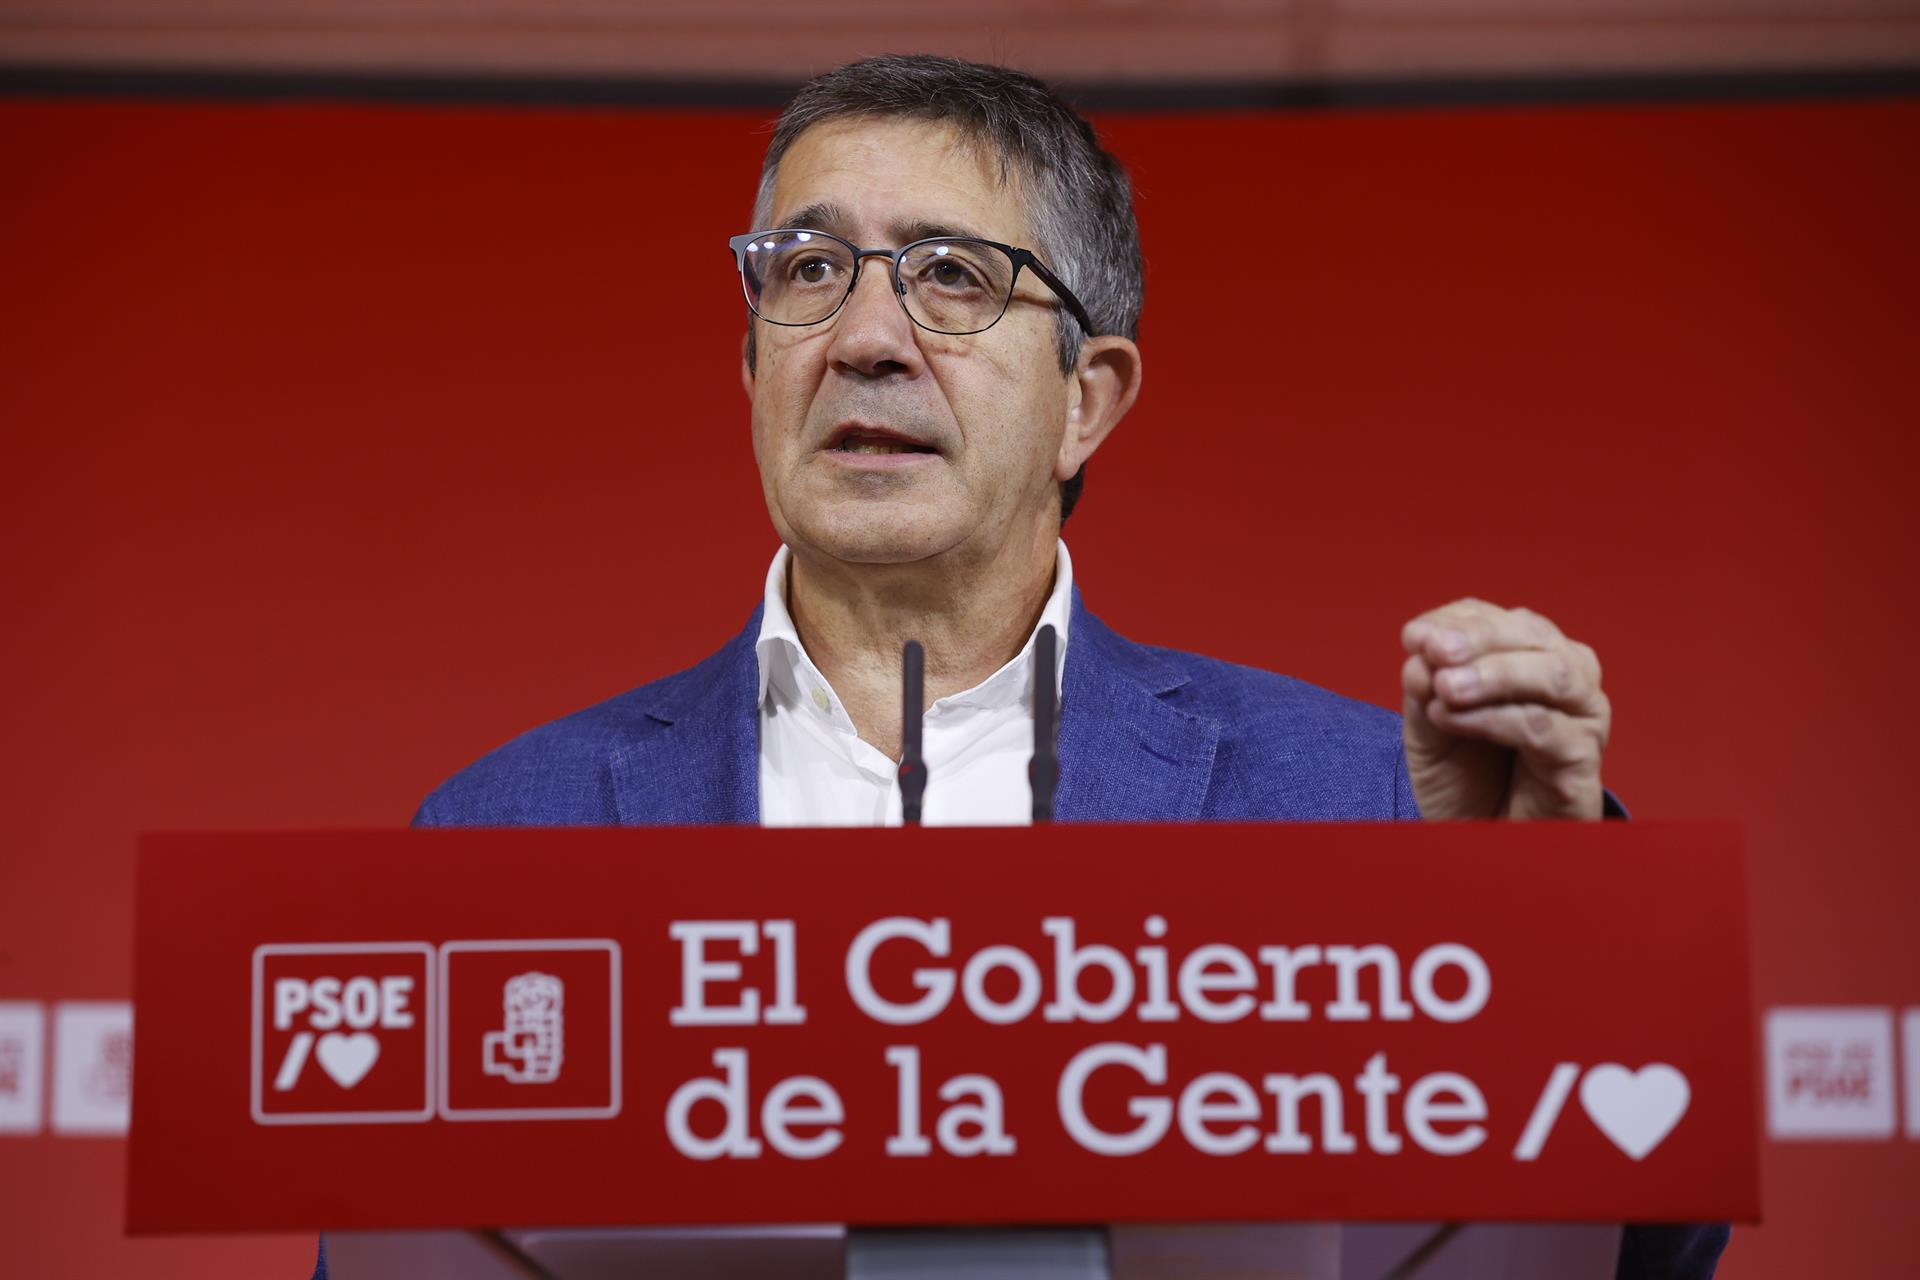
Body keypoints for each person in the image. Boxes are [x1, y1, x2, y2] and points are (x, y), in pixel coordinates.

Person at [412, 54, 1724, 1279]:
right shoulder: (495, 832)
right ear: (754, 360)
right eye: (808, 269)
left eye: (953, 276)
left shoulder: (1367, 802)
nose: (865, 337)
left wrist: (1559, 933)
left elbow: (1643, 1253)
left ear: (1086, 399)